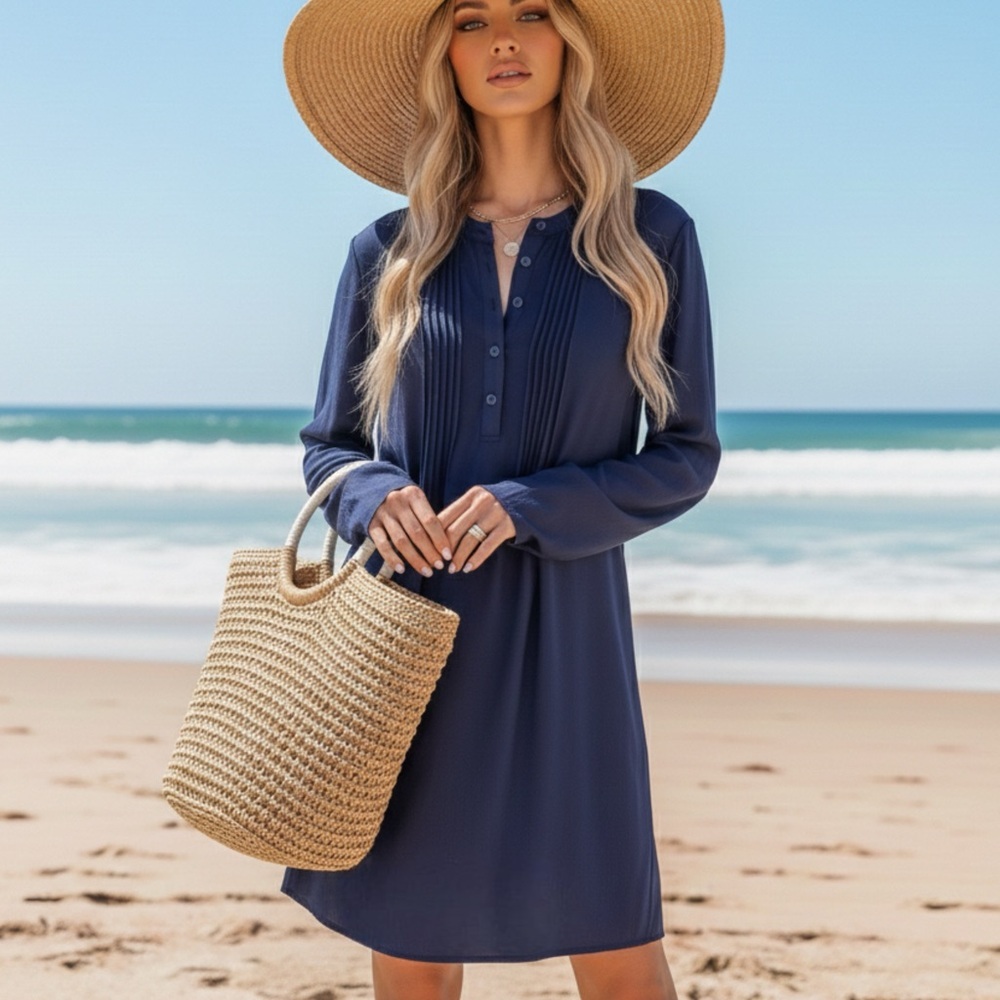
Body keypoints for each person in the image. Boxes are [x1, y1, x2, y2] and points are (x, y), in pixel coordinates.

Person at [280, 0, 724, 997]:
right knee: (412, 952)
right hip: (407, 639)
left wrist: (530, 502)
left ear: (572, 39)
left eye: (533, 11)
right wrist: (374, 494)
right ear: (446, 51)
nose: (505, 40)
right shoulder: (386, 249)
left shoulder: (652, 236)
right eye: (473, 18)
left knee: (614, 942)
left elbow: (685, 455)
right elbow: (329, 447)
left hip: (569, 641)